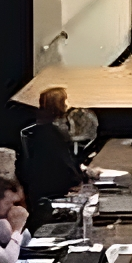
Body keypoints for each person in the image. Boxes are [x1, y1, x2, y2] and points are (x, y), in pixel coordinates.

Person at [20, 85, 90, 217]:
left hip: (45, 185)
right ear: (59, 104)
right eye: (66, 100)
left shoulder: (44, 129)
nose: (69, 104)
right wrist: (80, 178)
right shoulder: (52, 132)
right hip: (54, 189)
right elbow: (61, 160)